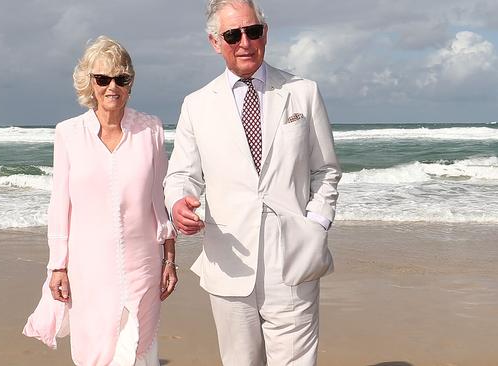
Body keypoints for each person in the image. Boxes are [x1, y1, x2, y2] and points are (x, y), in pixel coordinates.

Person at [164, 1, 342, 365]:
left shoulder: (303, 92)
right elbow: (181, 175)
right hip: (230, 262)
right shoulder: (196, 104)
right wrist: (179, 202)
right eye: (233, 35)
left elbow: (325, 170)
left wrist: (316, 226)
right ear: (215, 42)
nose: (245, 42)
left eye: (253, 31)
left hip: (294, 258)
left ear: (265, 33)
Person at [23, 36, 177, 366]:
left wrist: (169, 259)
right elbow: (60, 205)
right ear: (89, 82)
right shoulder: (68, 133)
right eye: (102, 78)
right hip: (88, 269)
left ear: (130, 82)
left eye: (121, 78)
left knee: (138, 348)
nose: (112, 87)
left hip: (143, 265)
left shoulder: (151, 130)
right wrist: (57, 266)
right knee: (96, 352)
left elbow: (160, 200)